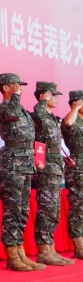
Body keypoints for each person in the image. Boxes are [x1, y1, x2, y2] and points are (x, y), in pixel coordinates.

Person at [0, 73, 45, 272]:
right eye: (16, 85)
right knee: (12, 210)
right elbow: (11, 114)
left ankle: (20, 251)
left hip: (25, 161)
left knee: (23, 210)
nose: (20, 89)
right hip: (11, 163)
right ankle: (12, 254)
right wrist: (14, 96)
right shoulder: (2, 108)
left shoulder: (22, 110)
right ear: (6, 87)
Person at [32, 82, 74, 266]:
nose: (56, 98)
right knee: (47, 208)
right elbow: (38, 114)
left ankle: (50, 249)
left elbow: (54, 145)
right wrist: (42, 101)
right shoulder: (38, 114)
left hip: (55, 165)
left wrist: (64, 158)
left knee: (54, 209)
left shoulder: (51, 118)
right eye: (53, 95)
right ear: (44, 95)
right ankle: (44, 250)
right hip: (45, 167)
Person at [61, 91, 83, 260]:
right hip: (77, 168)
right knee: (78, 207)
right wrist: (75, 108)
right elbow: (68, 123)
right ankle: (79, 245)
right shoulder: (71, 119)